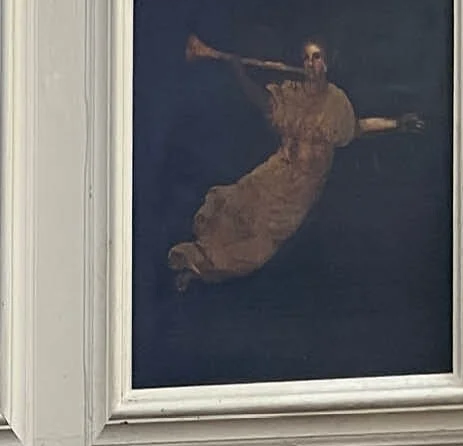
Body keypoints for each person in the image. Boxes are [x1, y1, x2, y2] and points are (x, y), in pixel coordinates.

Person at [169, 37, 422, 290]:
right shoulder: (292, 94)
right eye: (306, 58)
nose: (310, 63)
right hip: (276, 171)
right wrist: (240, 74)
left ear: (326, 63)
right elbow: (264, 103)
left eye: (316, 57)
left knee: (258, 246)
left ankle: (200, 270)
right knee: (236, 208)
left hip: (298, 194)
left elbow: (356, 128)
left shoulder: (337, 101)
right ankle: (195, 261)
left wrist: (397, 124)